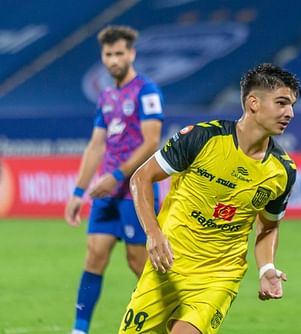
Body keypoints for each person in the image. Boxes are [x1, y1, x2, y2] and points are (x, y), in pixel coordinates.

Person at [118, 63, 301, 334]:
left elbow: (269, 225)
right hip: (167, 267)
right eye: (282, 103)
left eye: (292, 105)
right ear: (253, 103)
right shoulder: (202, 138)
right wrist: (154, 234)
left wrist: (267, 268)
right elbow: (141, 178)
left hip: (218, 276)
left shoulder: (282, 171)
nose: (290, 113)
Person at [64, 25, 165, 334]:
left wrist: (117, 176)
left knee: (139, 263)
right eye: (108, 54)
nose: (113, 60)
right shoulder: (106, 96)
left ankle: (170, 323)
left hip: (135, 192)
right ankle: (79, 330)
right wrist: (79, 191)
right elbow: (96, 145)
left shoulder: (147, 91)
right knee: (94, 255)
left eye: (119, 53)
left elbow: (151, 142)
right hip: (107, 194)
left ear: (131, 54)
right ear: (103, 57)